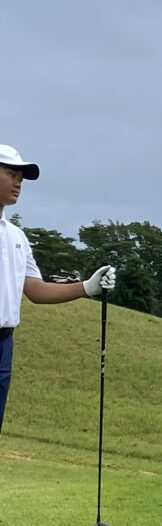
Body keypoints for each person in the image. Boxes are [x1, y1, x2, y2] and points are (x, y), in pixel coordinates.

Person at [1, 144, 117, 434]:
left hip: (4, 344)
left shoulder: (16, 237)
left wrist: (87, 287)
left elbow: (36, 291)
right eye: (12, 174)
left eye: (21, 178)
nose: (18, 183)